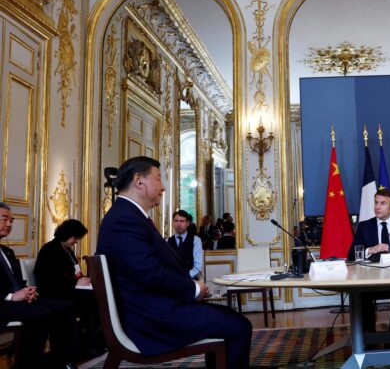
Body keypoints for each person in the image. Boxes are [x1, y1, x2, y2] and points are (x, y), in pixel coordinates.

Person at [96, 156, 251, 368]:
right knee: (239, 326)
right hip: (153, 320)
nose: (163, 187)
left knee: (230, 317)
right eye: (158, 178)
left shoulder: (127, 215)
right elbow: (150, 273)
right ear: (139, 180)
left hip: (155, 310)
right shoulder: (125, 219)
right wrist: (193, 289)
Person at [0, 202, 79, 369]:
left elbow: (17, 282)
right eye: (4, 219)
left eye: (12, 221)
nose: (9, 224)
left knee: (66, 307)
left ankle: (62, 359)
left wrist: (28, 291)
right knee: (42, 313)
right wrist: (11, 296)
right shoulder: (50, 250)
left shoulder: (8, 252)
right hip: (3, 303)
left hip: (17, 300)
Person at [34, 219, 105, 358]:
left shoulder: (68, 251)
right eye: (75, 237)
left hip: (69, 291)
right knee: (93, 304)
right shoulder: (50, 250)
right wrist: (76, 283)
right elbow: (48, 281)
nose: (76, 241)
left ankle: (92, 345)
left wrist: (82, 280)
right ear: (66, 233)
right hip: (55, 293)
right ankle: (86, 347)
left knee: (99, 300)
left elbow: (76, 273)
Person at [347, 188, 390, 333]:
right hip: (369, 281)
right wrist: (370, 250)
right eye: (376, 202)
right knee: (361, 295)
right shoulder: (364, 226)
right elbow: (351, 255)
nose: (377, 207)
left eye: (383, 203)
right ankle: (370, 338)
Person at [168, 210, 204, 280]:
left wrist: (183, 278)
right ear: (173, 223)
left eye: (182, 221)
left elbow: (198, 266)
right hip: (173, 281)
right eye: (176, 221)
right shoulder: (168, 241)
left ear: (187, 223)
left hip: (191, 280)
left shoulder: (196, 240)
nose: (179, 224)